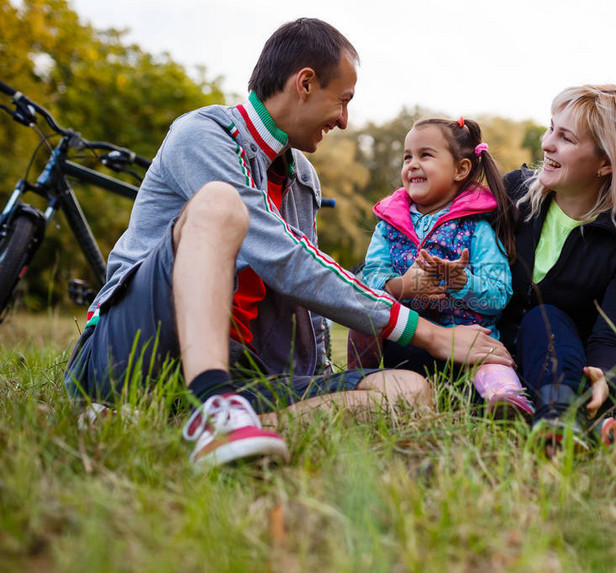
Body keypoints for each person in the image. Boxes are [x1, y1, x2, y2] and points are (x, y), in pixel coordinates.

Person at [63, 18, 511, 470]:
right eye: (343, 101)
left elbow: (307, 293)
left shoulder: (302, 178)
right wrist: (430, 334)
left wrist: (320, 378)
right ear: (305, 83)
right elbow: (283, 257)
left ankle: (189, 429)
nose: (344, 120)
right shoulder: (203, 134)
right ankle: (211, 406)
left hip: (245, 370)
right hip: (130, 353)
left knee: (408, 392)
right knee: (221, 204)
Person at [498, 85, 616, 451]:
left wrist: (602, 375)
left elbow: (609, 339)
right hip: (487, 351)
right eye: (551, 129)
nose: (547, 144)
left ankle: (560, 423)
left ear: (606, 162)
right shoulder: (514, 193)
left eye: (566, 138)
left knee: (545, 318)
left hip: (559, 362)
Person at [351, 117, 533, 416]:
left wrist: (462, 282)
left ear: (461, 169)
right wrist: (402, 286)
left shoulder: (477, 228)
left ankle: (505, 401)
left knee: (490, 362)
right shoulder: (388, 226)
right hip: (409, 341)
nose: (412, 164)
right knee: (386, 341)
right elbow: (367, 281)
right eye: (407, 156)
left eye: (425, 155)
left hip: (469, 342)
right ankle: (372, 386)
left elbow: (500, 294)